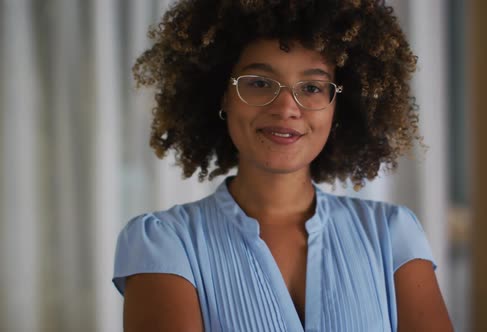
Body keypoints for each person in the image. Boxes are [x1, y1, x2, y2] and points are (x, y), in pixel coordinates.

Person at [112, 0, 453, 331]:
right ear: (223, 96)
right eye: (259, 83)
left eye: (312, 87)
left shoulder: (392, 235)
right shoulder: (163, 242)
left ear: (338, 107)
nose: (287, 107)